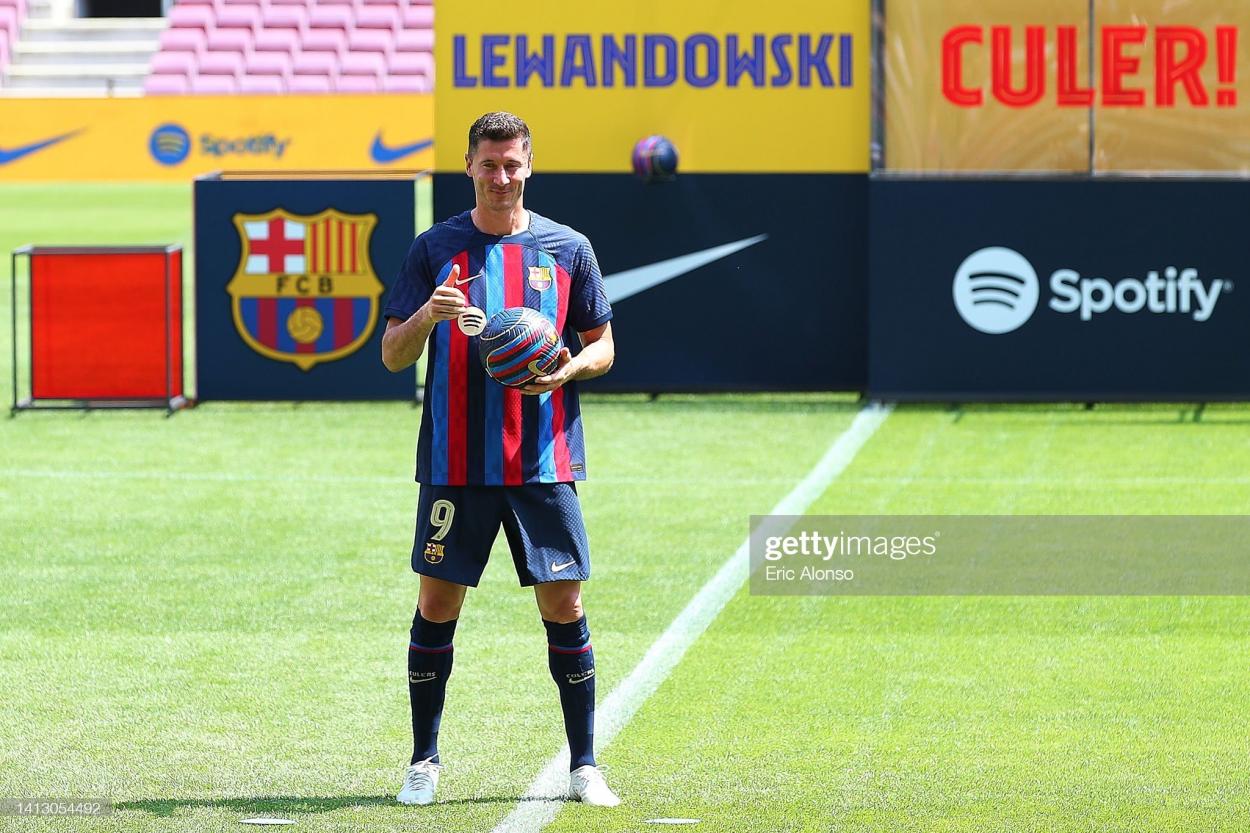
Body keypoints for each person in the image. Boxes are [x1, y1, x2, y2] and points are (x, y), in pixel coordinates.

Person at [380, 111, 619, 807]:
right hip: (456, 463)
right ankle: (424, 760)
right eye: (489, 165)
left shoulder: (567, 248)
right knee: (436, 601)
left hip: (543, 462)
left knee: (565, 601)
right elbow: (394, 353)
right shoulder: (435, 249)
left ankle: (584, 765)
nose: (501, 177)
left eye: (513, 164)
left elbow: (604, 343)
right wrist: (429, 313)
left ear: (529, 166)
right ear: (469, 167)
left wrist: (569, 368)